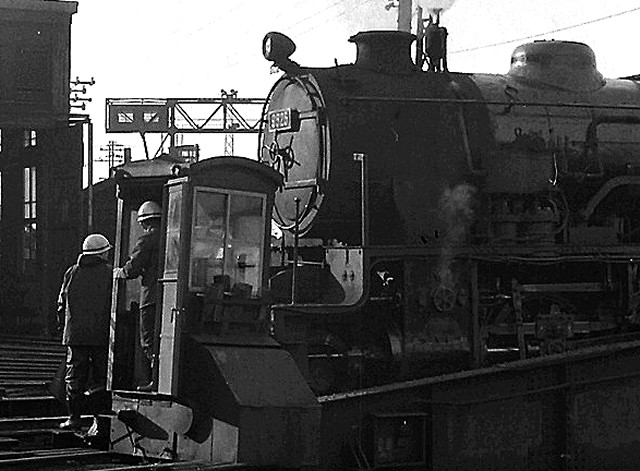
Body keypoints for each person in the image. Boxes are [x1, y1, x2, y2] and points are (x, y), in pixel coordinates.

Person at [57, 233, 112, 431]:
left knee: (74, 376)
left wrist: (63, 327)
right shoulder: (109, 273)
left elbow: (61, 303)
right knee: (100, 377)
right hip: (101, 335)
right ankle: (99, 420)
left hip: (75, 334)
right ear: (102, 253)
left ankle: (74, 417)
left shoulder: (71, 272)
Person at [113, 201, 161, 391]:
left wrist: (121, 272)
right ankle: (159, 379)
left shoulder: (146, 240)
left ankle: (154, 380)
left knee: (148, 338)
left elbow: (133, 267)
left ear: (145, 222)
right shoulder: (170, 237)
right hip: (164, 297)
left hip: (150, 296)